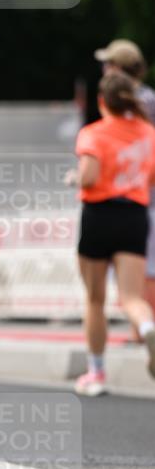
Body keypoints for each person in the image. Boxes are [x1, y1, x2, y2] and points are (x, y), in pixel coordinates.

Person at [71, 70, 155, 395]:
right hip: (135, 214)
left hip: (99, 214)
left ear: (102, 101)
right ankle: (147, 326)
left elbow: (89, 176)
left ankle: (96, 373)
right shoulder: (148, 133)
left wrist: (74, 178)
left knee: (95, 299)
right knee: (131, 296)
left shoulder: (93, 133)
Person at [94, 39, 155, 322]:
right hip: (136, 195)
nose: (104, 69)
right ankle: (142, 326)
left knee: (144, 268)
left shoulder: (138, 102)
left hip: (138, 196)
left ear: (118, 68)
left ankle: (145, 325)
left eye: (108, 64)